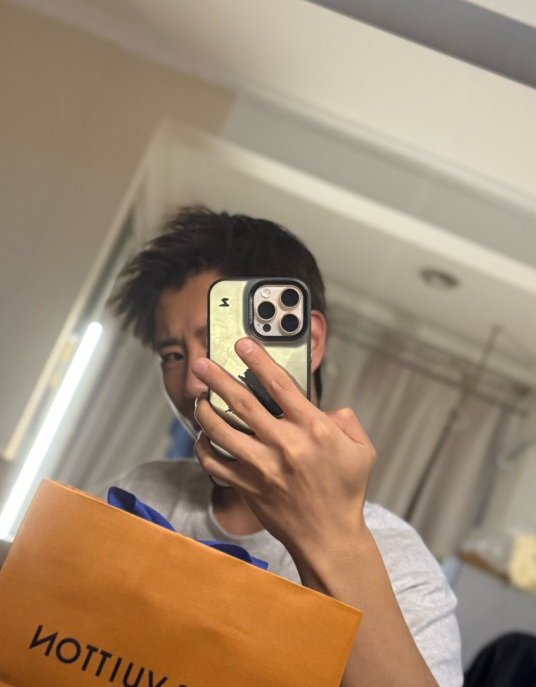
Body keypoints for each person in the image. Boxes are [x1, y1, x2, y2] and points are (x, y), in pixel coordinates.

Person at [106, 206, 462, 687]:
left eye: (216, 341)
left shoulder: (401, 565)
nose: (192, 382)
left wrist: (329, 536)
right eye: (172, 354)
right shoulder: (143, 491)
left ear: (307, 341)